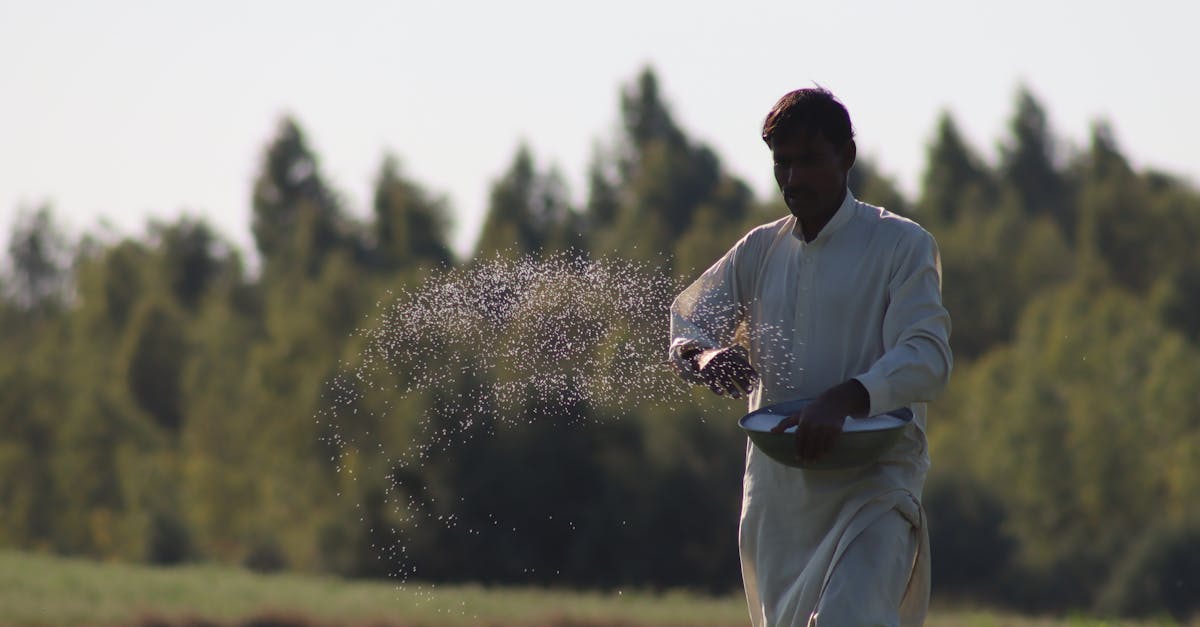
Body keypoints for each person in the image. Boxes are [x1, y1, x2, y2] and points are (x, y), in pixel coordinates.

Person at [667, 87, 952, 626]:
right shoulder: (759, 250)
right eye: (783, 163)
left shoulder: (901, 245)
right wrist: (704, 356)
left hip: (874, 491)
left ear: (847, 156)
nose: (794, 179)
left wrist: (845, 399)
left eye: (810, 160)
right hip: (780, 502)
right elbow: (689, 322)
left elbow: (928, 357)